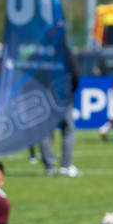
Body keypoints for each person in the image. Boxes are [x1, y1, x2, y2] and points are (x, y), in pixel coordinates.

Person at [39, 48, 82, 177]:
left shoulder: (41, 52)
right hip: (62, 96)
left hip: (44, 95)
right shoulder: (65, 51)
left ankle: (49, 166)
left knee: (44, 132)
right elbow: (75, 73)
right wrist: (71, 92)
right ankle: (66, 165)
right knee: (68, 130)